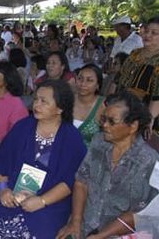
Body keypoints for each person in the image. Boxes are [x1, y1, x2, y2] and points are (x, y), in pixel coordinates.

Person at [0, 79, 87, 238]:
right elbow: (3, 162)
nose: (36, 105)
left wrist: (41, 201)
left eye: (44, 101)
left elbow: (70, 181)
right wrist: (3, 189)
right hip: (12, 193)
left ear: (60, 108)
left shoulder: (71, 138)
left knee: (35, 232)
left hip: (49, 201)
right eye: (36, 99)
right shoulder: (23, 127)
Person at [57, 91, 158, 239]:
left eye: (112, 121)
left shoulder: (148, 161)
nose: (104, 125)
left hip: (121, 232)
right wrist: (76, 222)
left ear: (133, 126)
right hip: (85, 223)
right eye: (104, 119)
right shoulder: (99, 142)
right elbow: (81, 182)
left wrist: (101, 236)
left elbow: (138, 215)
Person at [115, 16, 159, 136]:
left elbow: (157, 95)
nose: (147, 35)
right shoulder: (135, 53)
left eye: (154, 33)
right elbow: (119, 78)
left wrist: (149, 120)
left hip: (146, 116)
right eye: (146, 30)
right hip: (123, 110)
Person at [73, 64, 105, 147]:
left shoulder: (104, 106)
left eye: (89, 80)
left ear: (98, 85)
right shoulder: (67, 101)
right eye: (80, 78)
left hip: (89, 157)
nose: (83, 83)